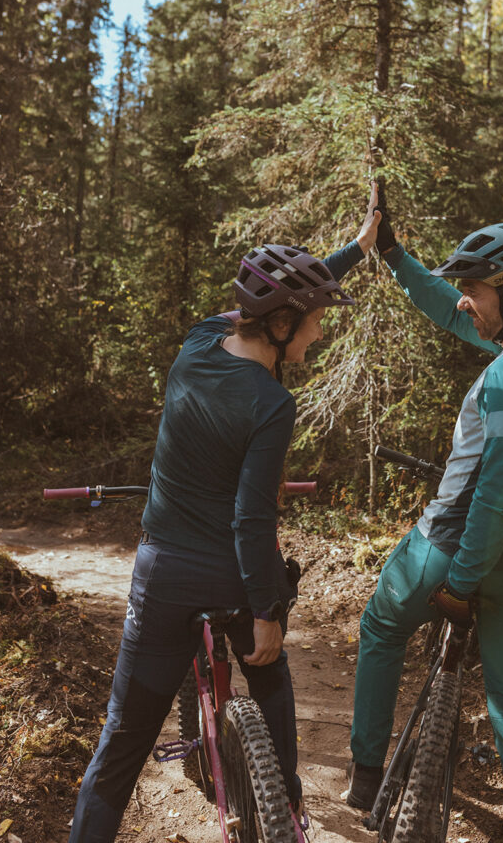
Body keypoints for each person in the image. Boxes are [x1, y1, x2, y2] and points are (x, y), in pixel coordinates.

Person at [68, 191, 382, 843]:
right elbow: (250, 517)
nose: (321, 331)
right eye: (315, 318)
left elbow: (272, 295)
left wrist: (355, 249)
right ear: (280, 322)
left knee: (120, 749)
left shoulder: (200, 339)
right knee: (270, 683)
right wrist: (266, 610)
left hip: (162, 576)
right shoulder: (270, 403)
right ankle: (287, 813)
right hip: (231, 578)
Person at [347, 191, 503, 843]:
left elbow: (497, 493)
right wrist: (394, 256)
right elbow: (446, 311)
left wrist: (459, 583)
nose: (463, 300)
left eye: (474, 289)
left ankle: (367, 772)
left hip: (455, 549)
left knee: (380, 625)